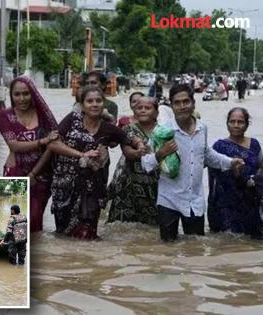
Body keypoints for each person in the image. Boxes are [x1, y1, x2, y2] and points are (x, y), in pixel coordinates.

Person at [141, 84, 245, 242]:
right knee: (167, 249)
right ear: (172, 106)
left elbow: (207, 155)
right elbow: (146, 163)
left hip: (194, 201)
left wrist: (231, 162)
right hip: (169, 200)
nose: (182, 106)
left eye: (186, 101)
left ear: (193, 103)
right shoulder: (162, 131)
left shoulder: (202, 128)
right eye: (177, 103)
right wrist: (161, 153)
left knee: (195, 248)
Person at [48, 86, 144, 239]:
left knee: (88, 235)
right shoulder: (72, 119)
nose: (94, 104)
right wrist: (81, 154)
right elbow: (53, 143)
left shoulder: (108, 128)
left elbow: (126, 136)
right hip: (66, 187)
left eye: (98, 101)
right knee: (63, 235)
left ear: (104, 104)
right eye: (89, 101)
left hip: (93, 189)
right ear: (82, 105)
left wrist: (138, 143)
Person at [0, 76, 59, 232]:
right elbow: (14, 145)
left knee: (35, 221)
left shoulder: (43, 115)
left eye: (26, 93)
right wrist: (42, 141)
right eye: (17, 94)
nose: (22, 98)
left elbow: (53, 145)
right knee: (17, 218)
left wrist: (33, 173)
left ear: (33, 94)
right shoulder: (5, 115)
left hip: (42, 174)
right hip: (16, 171)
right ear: (11, 96)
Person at [208, 108, 263, 238]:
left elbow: (261, 167)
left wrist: (254, 179)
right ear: (227, 124)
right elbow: (210, 168)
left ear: (247, 124)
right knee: (230, 241)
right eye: (232, 121)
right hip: (226, 204)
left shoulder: (254, 144)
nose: (236, 125)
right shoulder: (219, 146)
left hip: (250, 202)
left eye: (240, 122)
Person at [108, 97, 160, 224]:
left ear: (156, 113)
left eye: (147, 108)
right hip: (129, 186)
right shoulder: (128, 128)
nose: (142, 111)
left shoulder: (163, 131)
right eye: (139, 108)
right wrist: (137, 153)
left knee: (153, 229)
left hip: (154, 185)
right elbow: (127, 150)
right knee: (123, 227)